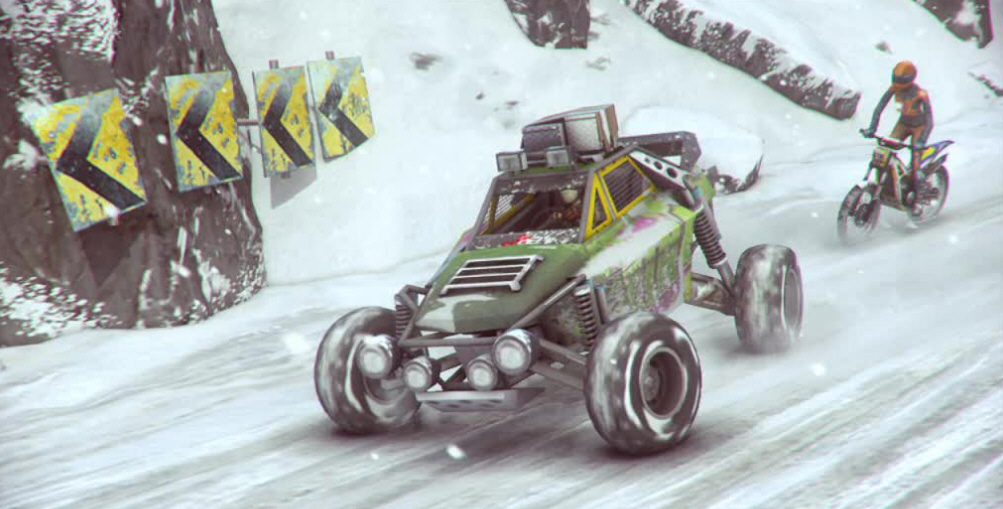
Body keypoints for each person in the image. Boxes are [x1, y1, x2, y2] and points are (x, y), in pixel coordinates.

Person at [861, 61, 935, 209]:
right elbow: (879, 108)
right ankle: (890, 185)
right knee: (886, 151)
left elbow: (929, 120)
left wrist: (921, 141)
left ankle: (919, 196)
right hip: (903, 123)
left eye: (900, 80)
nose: (897, 82)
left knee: (916, 162)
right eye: (896, 79)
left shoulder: (921, 94)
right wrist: (872, 128)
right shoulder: (894, 88)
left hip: (919, 126)